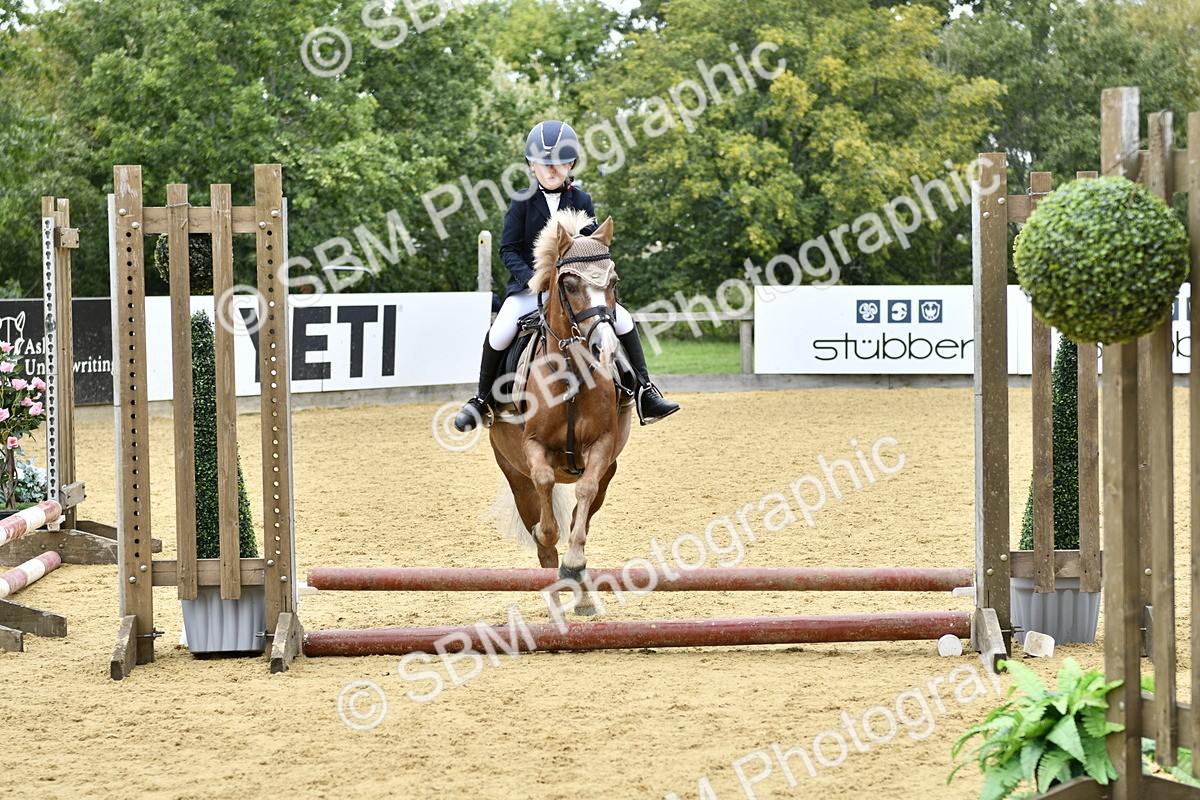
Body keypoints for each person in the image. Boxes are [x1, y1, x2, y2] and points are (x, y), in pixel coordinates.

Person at [453, 120, 680, 432]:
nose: (550, 169)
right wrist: (532, 279)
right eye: (543, 163)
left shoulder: (582, 200)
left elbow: (592, 247)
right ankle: (481, 399)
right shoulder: (521, 201)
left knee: (624, 320)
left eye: (558, 163)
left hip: (576, 290)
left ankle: (645, 391)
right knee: (500, 331)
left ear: (571, 164)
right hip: (531, 290)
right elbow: (508, 250)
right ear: (531, 165)